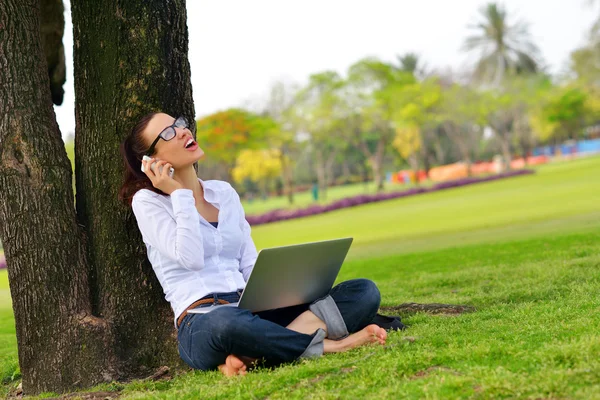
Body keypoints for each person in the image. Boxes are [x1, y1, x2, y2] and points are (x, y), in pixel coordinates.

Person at [118, 112, 387, 376]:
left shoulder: (223, 193)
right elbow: (191, 258)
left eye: (178, 124)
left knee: (363, 291)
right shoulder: (148, 202)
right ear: (152, 161)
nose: (183, 131)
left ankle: (250, 354)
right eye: (168, 133)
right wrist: (178, 194)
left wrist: (283, 294)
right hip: (203, 321)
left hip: (252, 311)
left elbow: (248, 262)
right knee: (227, 323)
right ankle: (332, 346)